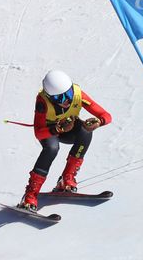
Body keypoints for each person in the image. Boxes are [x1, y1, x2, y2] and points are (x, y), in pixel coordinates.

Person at [17, 69, 112, 211]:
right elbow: (39, 133)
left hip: (68, 129)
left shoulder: (78, 94)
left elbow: (106, 115)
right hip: (49, 131)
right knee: (51, 148)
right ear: (50, 97)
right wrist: (57, 129)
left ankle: (66, 179)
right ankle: (30, 195)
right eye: (59, 98)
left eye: (68, 94)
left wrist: (99, 122)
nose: (66, 101)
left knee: (86, 132)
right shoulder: (43, 101)